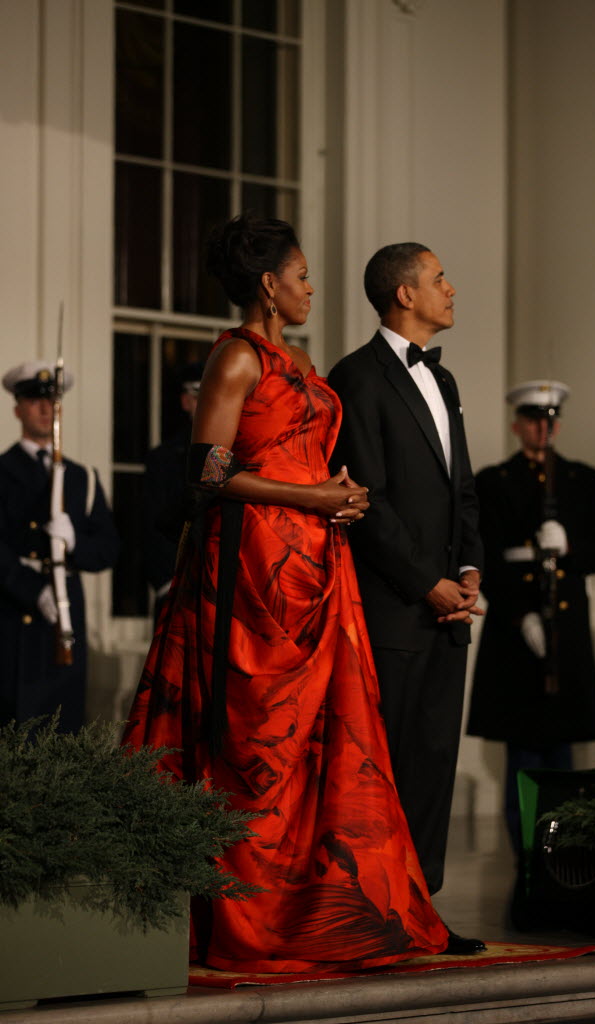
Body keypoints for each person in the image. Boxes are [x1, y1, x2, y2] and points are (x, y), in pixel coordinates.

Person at [122, 214, 476, 975]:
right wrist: (312, 497)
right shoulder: (236, 358)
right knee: (257, 738)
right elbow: (207, 472)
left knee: (324, 742)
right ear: (268, 284)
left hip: (317, 566)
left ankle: (323, 906)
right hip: (252, 566)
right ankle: (246, 908)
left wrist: (338, 496)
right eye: (303, 275)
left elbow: (307, 455)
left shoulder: (303, 360)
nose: (312, 288)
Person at [327, 242, 486, 942]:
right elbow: (369, 502)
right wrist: (428, 584)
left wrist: (471, 571)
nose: (451, 289)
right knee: (382, 770)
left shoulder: (443, 380)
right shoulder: (356, 377)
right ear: (404, 294)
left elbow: (462, 489)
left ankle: (422, 913)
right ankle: (373, 915)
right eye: (439, 279)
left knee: (432, 765)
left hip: (449, 609)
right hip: (394, 609)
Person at [466, 381, 595, 854]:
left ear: (558, 426)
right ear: (517, 425)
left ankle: (561, 850)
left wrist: (569, 546)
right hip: (516, 628)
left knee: (562, 748)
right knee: (523, 748)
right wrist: (522, 615)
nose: (541, 429)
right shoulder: (495, 481)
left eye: (548, 421)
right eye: (532, 420)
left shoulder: (582, 480)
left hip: (565, 630)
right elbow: (486, 556)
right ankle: (527, 851)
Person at [0, 361, 119, 733]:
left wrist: (74, 544)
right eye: (34, 400)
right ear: (18, 409)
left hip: (67, 609)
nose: (44, 408)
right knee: (16, 723)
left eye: (51, 400)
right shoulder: (3, 470)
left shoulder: (81, 477)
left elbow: (108, 549)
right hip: (15, 610)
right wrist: (33, 590)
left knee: (63, 721)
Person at [143, 361, 204, 623]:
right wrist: (167, 581)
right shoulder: (165, 458)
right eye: (199, 396)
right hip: (179, 585)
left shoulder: (242, 452)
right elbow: (151, 524)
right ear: (186, 401)